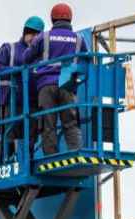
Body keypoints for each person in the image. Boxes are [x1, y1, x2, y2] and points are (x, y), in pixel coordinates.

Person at [23, 3, 87, 155]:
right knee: (71, 123)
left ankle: (51, 157)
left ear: (52, 19)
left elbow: (26, 57)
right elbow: (87, 61)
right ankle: (76, 153)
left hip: (46, 86)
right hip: (68, 85)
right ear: (70, 19)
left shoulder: (43, 37)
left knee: (48, 124)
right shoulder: (79, 39)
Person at [0, 16, 45, 160]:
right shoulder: (10, 48)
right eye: (30, 34)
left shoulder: (40, 54)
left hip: (32, 102)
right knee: (8, 139)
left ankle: (25, 165)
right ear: (25, 32)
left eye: (36, 35)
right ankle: (6, 165)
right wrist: (16, 71)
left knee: (30, 139)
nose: (32, 38)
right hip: (11, 101)